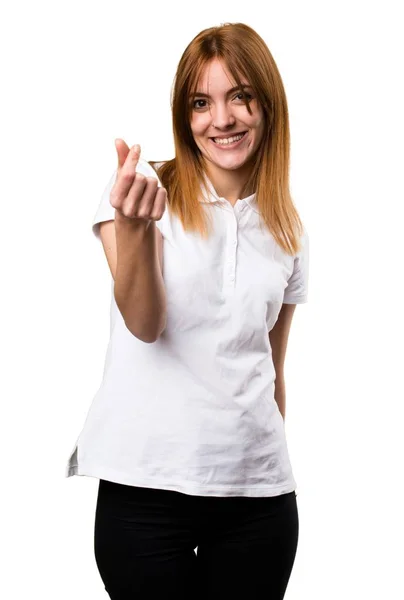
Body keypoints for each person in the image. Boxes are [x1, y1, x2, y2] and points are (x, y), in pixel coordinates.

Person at [65, 21, 309, 599]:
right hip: (145, 489)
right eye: (202, 103)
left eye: (240, 97)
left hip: (258, 500)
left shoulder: (288, 228)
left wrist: (267, 466)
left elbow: (272, 370)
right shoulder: (141, 191)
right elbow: (143, 323)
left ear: (266, 105)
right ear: (185, 114)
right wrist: (133, 227)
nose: (221, 120)